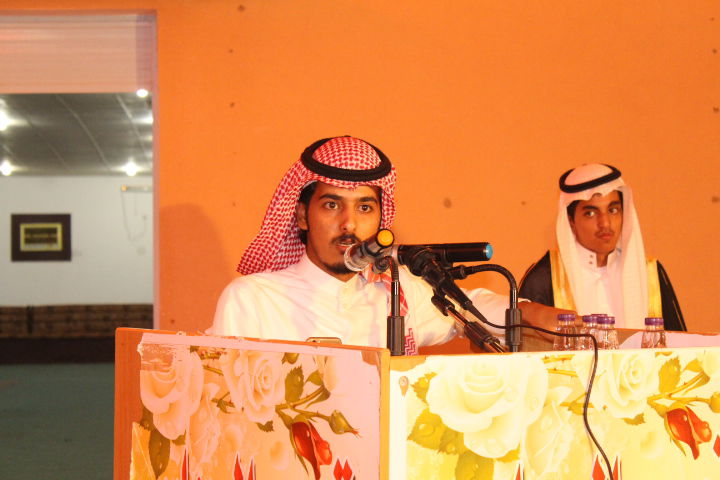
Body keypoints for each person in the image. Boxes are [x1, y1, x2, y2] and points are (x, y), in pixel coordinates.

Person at [210, 136, 559, 352]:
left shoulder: (394, 292)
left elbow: (471, 308)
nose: (349, 224)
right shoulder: (253, 299)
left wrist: (537, 315)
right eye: (331, 205)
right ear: (302, 216)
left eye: (364, 208)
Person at [519, 163, 686, 331]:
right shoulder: (545, 277)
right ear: (571, 221)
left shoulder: (650, 274)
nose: (605, 223)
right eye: (591, 213)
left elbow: (679, 343)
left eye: (613, 210)